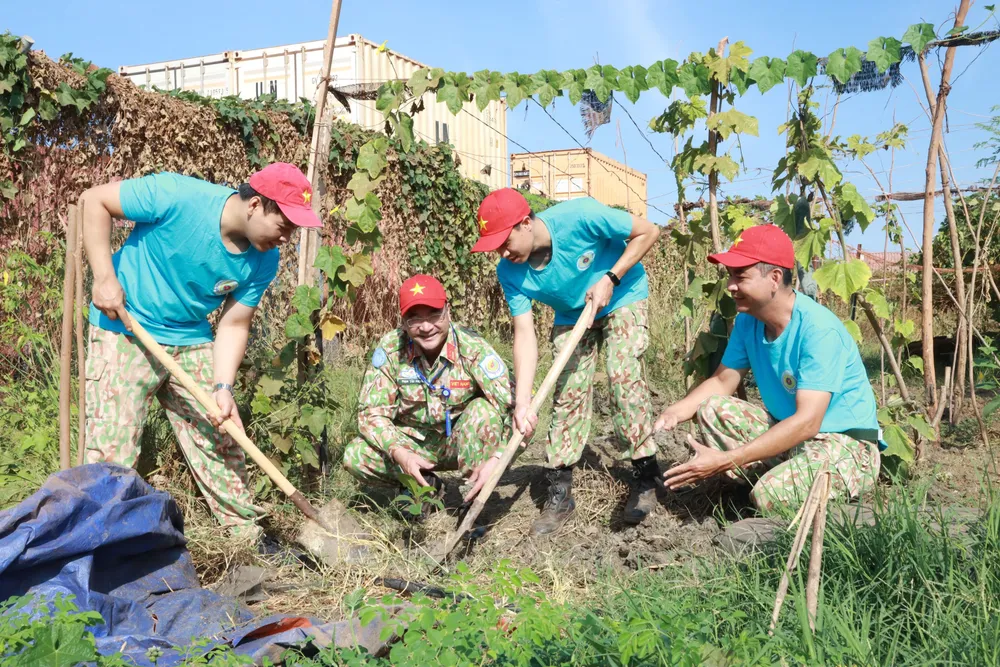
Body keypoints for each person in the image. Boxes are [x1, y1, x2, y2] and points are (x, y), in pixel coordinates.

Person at [80, 163, 321, 537]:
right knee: (112, 448)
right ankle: (97, 542)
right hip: (126, 326)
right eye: (285, 224)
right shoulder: (176, 195)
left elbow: (234, 323)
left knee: (221, 431)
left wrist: (223, 388)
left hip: (190, 335)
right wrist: (104, 277)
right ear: (255, 205)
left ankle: (245, 534)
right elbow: (93, 200)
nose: (288, 237)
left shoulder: (265, 257)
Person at [471, 188, 662, 535]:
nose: (501, 252)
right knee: (567, 393)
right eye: (494, 246)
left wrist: (610, 277)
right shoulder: (510, 272)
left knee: (622, 374)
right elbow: (524, 334)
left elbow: (649, 231)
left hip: (624, 293)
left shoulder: (580, 216)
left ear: (525, 223)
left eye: (504, 241)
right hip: (572, 312)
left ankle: (645, 475)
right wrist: (524, 402)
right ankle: (560, 491)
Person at [655, 224, 881, 515]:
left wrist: (727, 460)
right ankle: (778, 483)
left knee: (768, 496)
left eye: (741, 276)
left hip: (845, 446)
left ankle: (794, 495)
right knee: (712, 408)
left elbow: (807, 423)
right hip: (795, 439)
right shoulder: (749, 322)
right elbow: (723, 381)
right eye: (730, 276)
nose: (731, 285)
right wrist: (675, 411)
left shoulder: (819, 331)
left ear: (774, 278)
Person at [343, 275, 514, 506]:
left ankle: (475, 497)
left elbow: (515, 408)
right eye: (414, 319)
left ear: (448, 311)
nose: (426, 327)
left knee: (484, 412)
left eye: (434, 314)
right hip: (412, 446)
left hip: (461, 443)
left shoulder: (471, 347)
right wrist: (400, 454)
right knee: (355, 455)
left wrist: (497, 457)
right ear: (403, 321)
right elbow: (370, 415)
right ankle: (424, 486)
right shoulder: (392, 349)